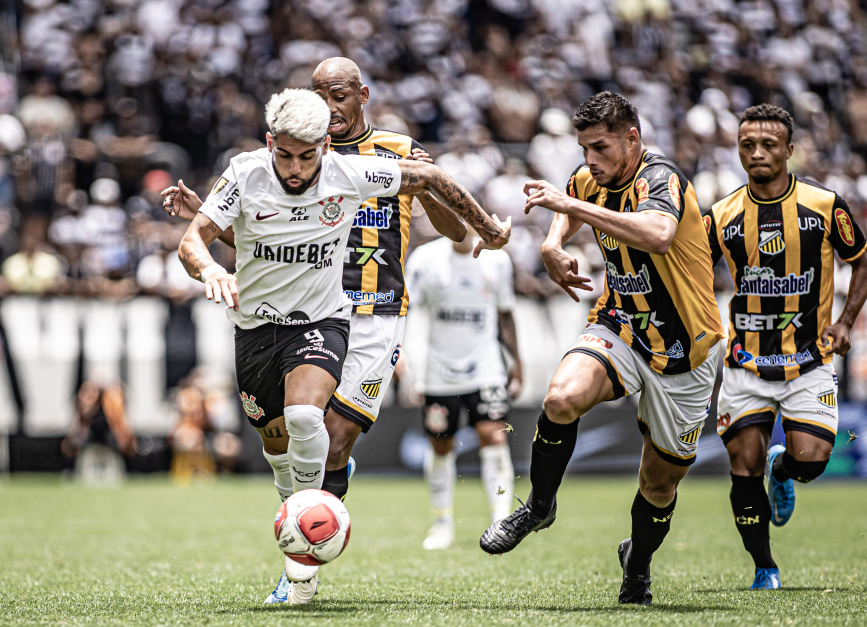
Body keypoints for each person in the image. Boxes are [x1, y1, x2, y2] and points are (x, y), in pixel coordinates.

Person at [172, 88, 509, 605]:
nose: (295, 168)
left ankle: (299, 570)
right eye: (284, 154)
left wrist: (490, 228)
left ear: (326, 147)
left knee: (313, 423)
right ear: (270, 143)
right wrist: (213, 268)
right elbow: (193, 239)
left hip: (329, 319)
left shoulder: (353, 171)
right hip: (256, 330)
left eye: (307, 155)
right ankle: (308, 501)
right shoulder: (244, 172)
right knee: (278, 448)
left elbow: (433, 178)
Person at [478, 91, 725, 607]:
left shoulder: (662, 179)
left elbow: (658, 235)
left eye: (601, 147)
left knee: (659, 485)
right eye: (585, 148)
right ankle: (539, 507)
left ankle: (637, 567)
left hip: (685, 350)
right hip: (622, 323)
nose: (590, 159)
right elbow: (570, 204)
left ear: (632, 138)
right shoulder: (589, 177)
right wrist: (552, 245)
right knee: (560, 399)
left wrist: (569, 207)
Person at [706, 104, 867, 590]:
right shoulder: (721, 214)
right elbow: (689, 275)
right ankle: (764, 566)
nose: (756, 153)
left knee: (813, 462)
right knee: (742, 466)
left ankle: (786, 466)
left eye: (768, 145)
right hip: (746, 364)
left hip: (809, 360)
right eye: (747, 145)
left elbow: (861, 260)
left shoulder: (825, 205)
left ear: (790, 151)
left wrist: (845, 322)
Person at [404, 227, 521, 550]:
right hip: (438, 373)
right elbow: (406, 312)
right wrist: (404, 360)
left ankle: (501, 519)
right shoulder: (425, 260)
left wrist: (516, 362)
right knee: (441, 446)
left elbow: (506, 314)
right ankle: (442, 523)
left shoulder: (498, 260)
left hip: (486, 368)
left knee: (493, 436)